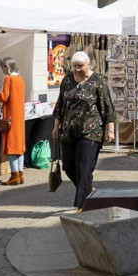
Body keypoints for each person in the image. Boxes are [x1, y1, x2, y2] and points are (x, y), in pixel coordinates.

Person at [52, 51, 116, 210]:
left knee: (84, 168)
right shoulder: (67, 80)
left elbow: (107, 106)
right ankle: (87, 190)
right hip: (68, 131)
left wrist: (110, 130)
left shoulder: (97, 81)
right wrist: (55, 126)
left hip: (91, 132)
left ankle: (81, 205)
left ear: (88, 65)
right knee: (68, 166)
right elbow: (61, 104)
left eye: (80, 66)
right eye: (74, 66)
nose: (77, 69)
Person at [0, 57, 26, 186]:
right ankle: (20, 174)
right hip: (19, 117)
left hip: (11, 117)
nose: (2, 70)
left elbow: (4, 96)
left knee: (12, 147)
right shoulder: (20, 79)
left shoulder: (9, 79)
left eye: (3, 67)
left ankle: (14, 175)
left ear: (6, 67)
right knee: (19, 147)